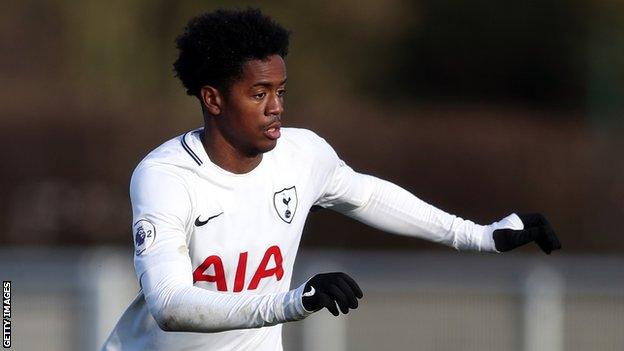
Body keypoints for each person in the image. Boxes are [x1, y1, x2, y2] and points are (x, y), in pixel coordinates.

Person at [101, 8, 561, 351]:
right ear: (213, 100)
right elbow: (169, 306)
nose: (276, 106)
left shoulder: (302, 154)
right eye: (258, 93)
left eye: (280, 91)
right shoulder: (165, 175)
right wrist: (292, 302)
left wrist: (476, 235)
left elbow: (367, 195)